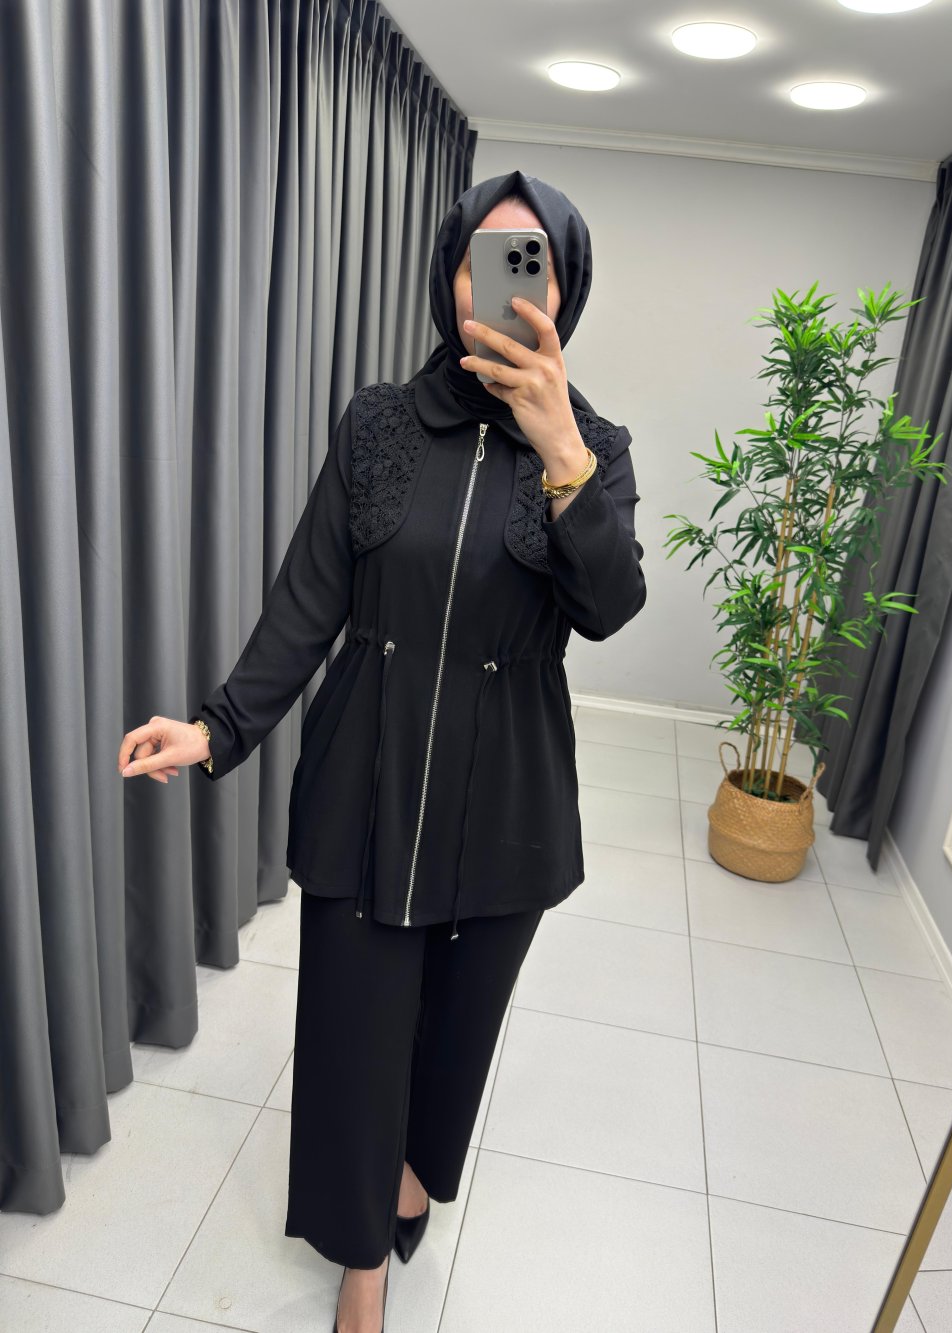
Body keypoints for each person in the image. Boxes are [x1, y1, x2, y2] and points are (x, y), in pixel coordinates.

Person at [116, 170, 646, 1333]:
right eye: (481, 258)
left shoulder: (594, 445)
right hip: (369, 768)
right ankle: (362, 1264)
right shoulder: (377, 424)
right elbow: (309, 598)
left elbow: (609, 606)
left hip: (507, 789)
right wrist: (217, 725)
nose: (502, 284)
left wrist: (561, 451)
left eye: (531, 263)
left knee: (458, 1029)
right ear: (447, 275)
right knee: (356, 1037)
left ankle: (415, 1178)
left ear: (564, 288)